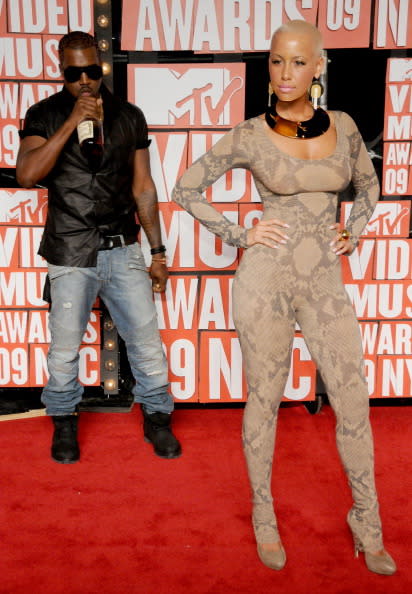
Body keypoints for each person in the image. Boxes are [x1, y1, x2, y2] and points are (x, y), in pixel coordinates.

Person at [172, 20, 396, 575]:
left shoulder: (343, 128)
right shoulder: (250, 134)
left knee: (353, 401)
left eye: (298, 62)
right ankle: (263, 514)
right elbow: (185, 188)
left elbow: (368, 186)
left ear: (319, 65)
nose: (285, 73)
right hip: (266, 281)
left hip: (324, 283)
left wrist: (357, 228)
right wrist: (242, 234)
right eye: (276, 61)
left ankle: (366, 522)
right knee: (264, 399)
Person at [16, 31, 181, 464]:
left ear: (102, 65)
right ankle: (64, 420)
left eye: (93, 70)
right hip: (70, 250)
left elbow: (144, 187)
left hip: (122, 247)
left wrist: (158, 253)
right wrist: (72, 120)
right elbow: (28, 174)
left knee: (145, 340)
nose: (86, 80)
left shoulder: (129, 115)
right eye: (75, 73)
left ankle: (158, 416)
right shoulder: (44, 114)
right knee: (65, 347)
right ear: (61, 71)